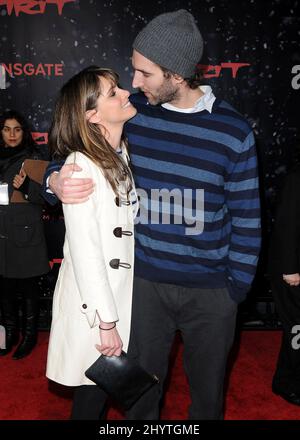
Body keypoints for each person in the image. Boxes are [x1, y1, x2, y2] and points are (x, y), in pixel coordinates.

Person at [43, 10, 261, 419]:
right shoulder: (135, 113)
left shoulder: (233, 132)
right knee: (140, 399)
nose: (134, 83)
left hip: (212, 294)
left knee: (208, 398)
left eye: (144, 73)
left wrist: (235, 290)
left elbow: (248, 217)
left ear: (177, 74)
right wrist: (55, 179)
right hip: (143, 289)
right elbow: (80, 148)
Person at [45, 66, 138, 420]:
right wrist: (107, 322)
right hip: (96, 308)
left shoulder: (119, 154)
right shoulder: (80, 167)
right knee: (92, 395)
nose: (127, 93)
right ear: (92, 115)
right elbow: (85, 252)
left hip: (119, 297)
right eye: (113, 92)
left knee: (101, 390)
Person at [0, 110, 49, 360]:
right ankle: (8, 334)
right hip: (2, 232)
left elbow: (48, 199)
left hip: (25, 233)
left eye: (17, 129)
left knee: (28, 288)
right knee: (4, 288)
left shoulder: (33, 159)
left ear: (24, 132)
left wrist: (27, 186)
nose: (11, 134)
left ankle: (29, 336)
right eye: (7, 129)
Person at [268, 156, 300, 406]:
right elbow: (287, 225)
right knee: (297, 329)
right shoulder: (297, 177)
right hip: (292, 272)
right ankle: (290, 383)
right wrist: (290, 269)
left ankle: (285, 379)